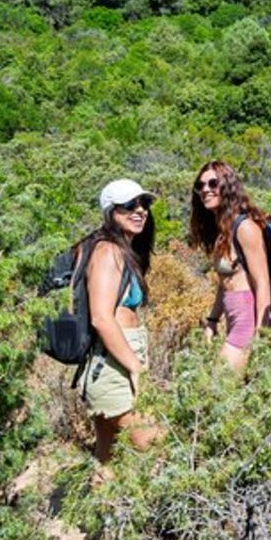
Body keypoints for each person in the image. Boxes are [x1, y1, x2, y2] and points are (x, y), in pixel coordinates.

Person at [78, 178, 163, 465]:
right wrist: (135, 367)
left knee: (108, 458)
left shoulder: (119, 250)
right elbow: (102, 318)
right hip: (114, 361)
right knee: (152, 442)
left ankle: (98, 508)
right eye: (129, 205)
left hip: (114, 357)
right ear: (110, 212)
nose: (140, 210)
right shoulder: (108, 252)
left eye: (144, 204)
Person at [188, 160, 271, 372]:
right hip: (233, 320)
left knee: (219, 387)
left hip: (247, 323)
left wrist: (261, 335)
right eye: (201, 186)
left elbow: (262, 283)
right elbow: (225, 282)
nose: (206, 190)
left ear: (227, 186)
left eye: (213, 183)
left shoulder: (245, 228)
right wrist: (213, 319)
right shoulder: (221, 231)